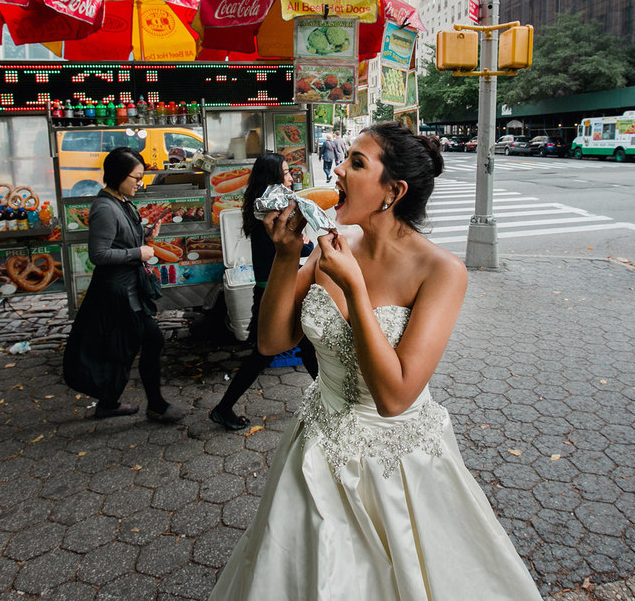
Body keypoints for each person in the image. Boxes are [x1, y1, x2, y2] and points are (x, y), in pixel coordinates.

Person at [209, 122, 543, 600]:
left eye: (356, 163)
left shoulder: (441, 271)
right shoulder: (332, 243)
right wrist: (286, 255)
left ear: (393, 191)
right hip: (316, 448)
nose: (338, 169)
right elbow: (270, 341)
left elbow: (395, 396)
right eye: (345, 159)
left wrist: (355, 289)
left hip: (398, 462)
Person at [62, 147, 185, 423]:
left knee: (123, 347)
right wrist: (138, 253)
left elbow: (123, 238)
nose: (139, 183)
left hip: (128, 288)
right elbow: (99, 254)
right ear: (119, 175)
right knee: (150, 340)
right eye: (136, 177)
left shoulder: (120, 200)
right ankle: (156, 405)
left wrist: (146, 235)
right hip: (118, 291)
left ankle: (109, 403)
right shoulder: (104, 208)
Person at [209, 153, 318, 431]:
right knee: (263, 353)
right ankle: (223, 408)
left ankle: (328, 398)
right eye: (285, 173)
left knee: (304, 346)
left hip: (273, 288)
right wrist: (302, 239)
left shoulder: (260, 207)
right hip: (274, 292)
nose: (291, 178)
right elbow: (301, 248)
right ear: (272, 178)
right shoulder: (272, 210)